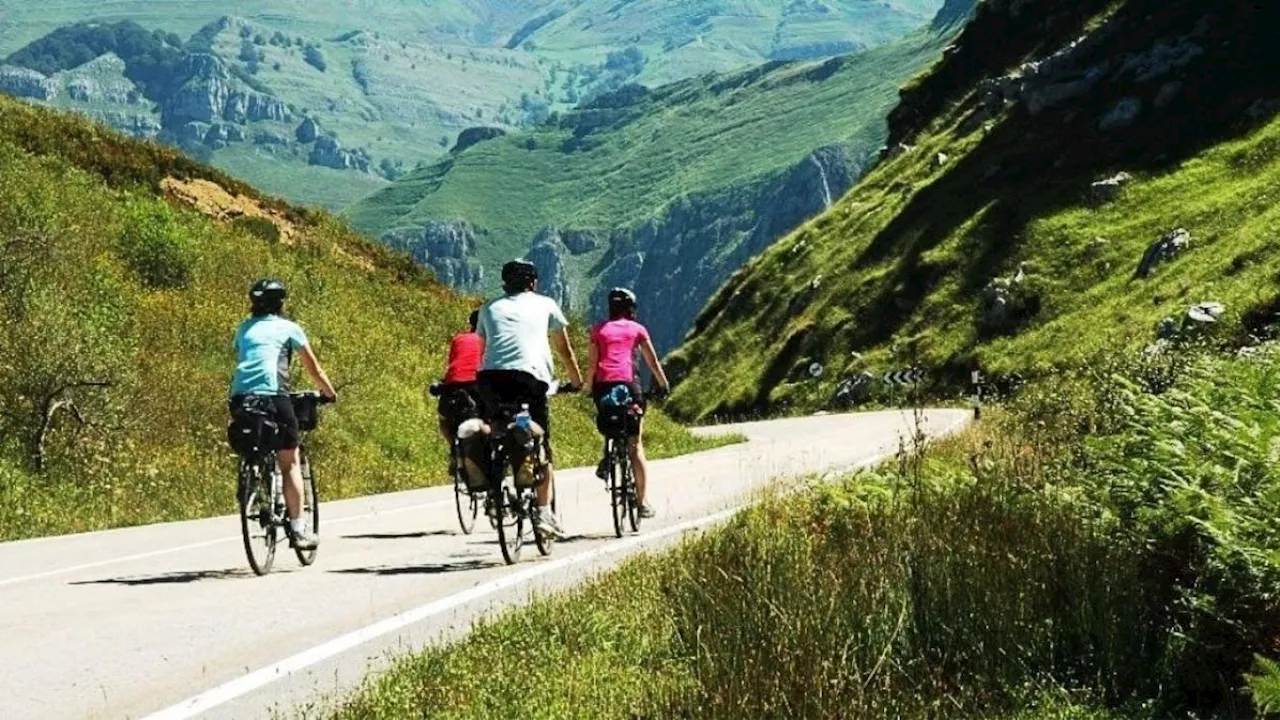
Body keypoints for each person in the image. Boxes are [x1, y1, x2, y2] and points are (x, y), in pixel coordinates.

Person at [475, 259, 583, 538]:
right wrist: (576, 381)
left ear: (504, 284)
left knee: (497, 427)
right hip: (529, 378)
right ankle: (544, 512)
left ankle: (493, 488)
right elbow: (564, 349)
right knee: (540, 443)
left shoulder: (488, 308)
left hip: (490, 380)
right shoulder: (546, 304)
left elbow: (482, 349)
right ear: (533, 283)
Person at [229, 279, 337, 550]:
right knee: (289, 461)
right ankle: (299, 531)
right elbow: (314, 369)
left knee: (253, 437)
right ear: (280, 303)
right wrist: (329, 393)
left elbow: (244, 355)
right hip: (274, 396)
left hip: (240, 397)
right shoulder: (289, 328)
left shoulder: (243, 329)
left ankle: (251, 477)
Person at [586, 287, 670, 519]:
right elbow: (652, 361)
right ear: (631, 309)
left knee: (609, 420)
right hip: (629, 386)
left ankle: (608, 456)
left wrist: (586, 388)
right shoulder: (638, 329)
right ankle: (642, 503)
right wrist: (663, 384)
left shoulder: (598, 330)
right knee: (635, 444)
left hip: (602, 387)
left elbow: (592, 365)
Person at [436, 310, 483, 463]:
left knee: (444, 420)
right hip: (480, 385)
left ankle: (454, 449)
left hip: (454, 388)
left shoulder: (459, 339)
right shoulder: (492, 340)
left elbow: (453, 366)